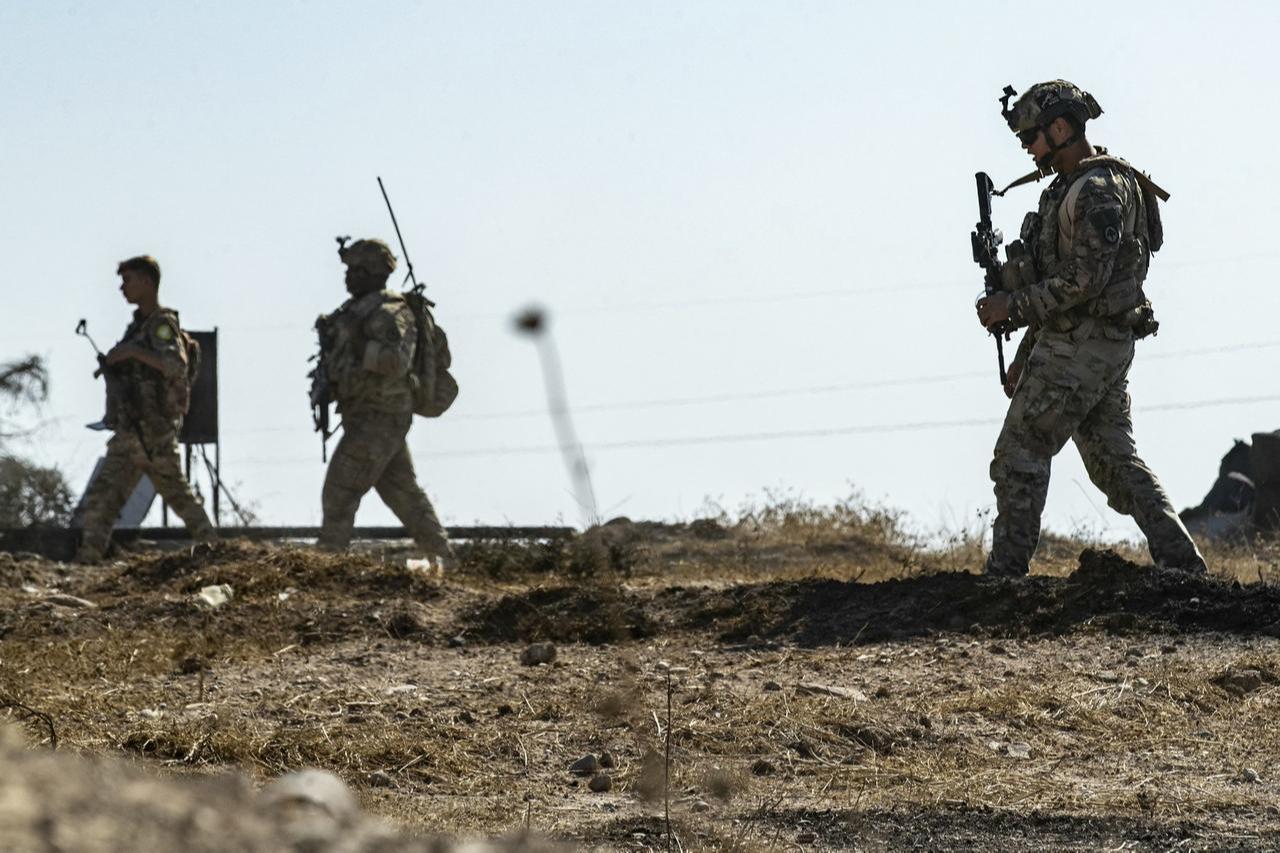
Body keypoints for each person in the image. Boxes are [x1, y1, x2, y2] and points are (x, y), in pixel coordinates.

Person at [975, 80, 1206, 577]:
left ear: (1060, 128)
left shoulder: (1098, 190)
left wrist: (1012, 307)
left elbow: (1084, 281)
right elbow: (1068, 288)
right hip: (1094, 345)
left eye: (1031, 136)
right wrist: (1024, 354)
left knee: (1020, 450)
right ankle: (1185, 569)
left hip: (1082, 346)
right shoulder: (1076, 186)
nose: (1027, 148)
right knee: (1114, 464)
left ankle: (1004, 578)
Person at [317, 238, 452, 562]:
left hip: (380, 415)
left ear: (373, 272)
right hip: (367, 415)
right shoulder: (356, 311)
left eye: (355, 270)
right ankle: (444, 557)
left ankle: (327, 559)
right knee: (402, 491)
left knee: (339, 491)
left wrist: (358, 343)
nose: (348, 276)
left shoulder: (390, 313)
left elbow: (395, 362)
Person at [75, 256, 216, 562]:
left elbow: (175, 365)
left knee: (179, 497)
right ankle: (88, 558)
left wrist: (131, 352)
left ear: (147, 282)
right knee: (102, 498)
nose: (122, 287)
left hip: (154, 434)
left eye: (128, 280)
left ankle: (216, 550)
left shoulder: (161, 325)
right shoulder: (137, 328)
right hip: (129, 432)